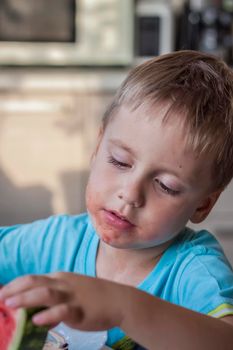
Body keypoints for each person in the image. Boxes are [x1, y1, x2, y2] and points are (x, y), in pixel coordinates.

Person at [0, 50, 233, 349]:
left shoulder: (194, 271)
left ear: (202, 205)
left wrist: (122, 307)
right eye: (120, 161)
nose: (130, 194)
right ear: (97, 147)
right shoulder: (56, 241)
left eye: (166, 185)